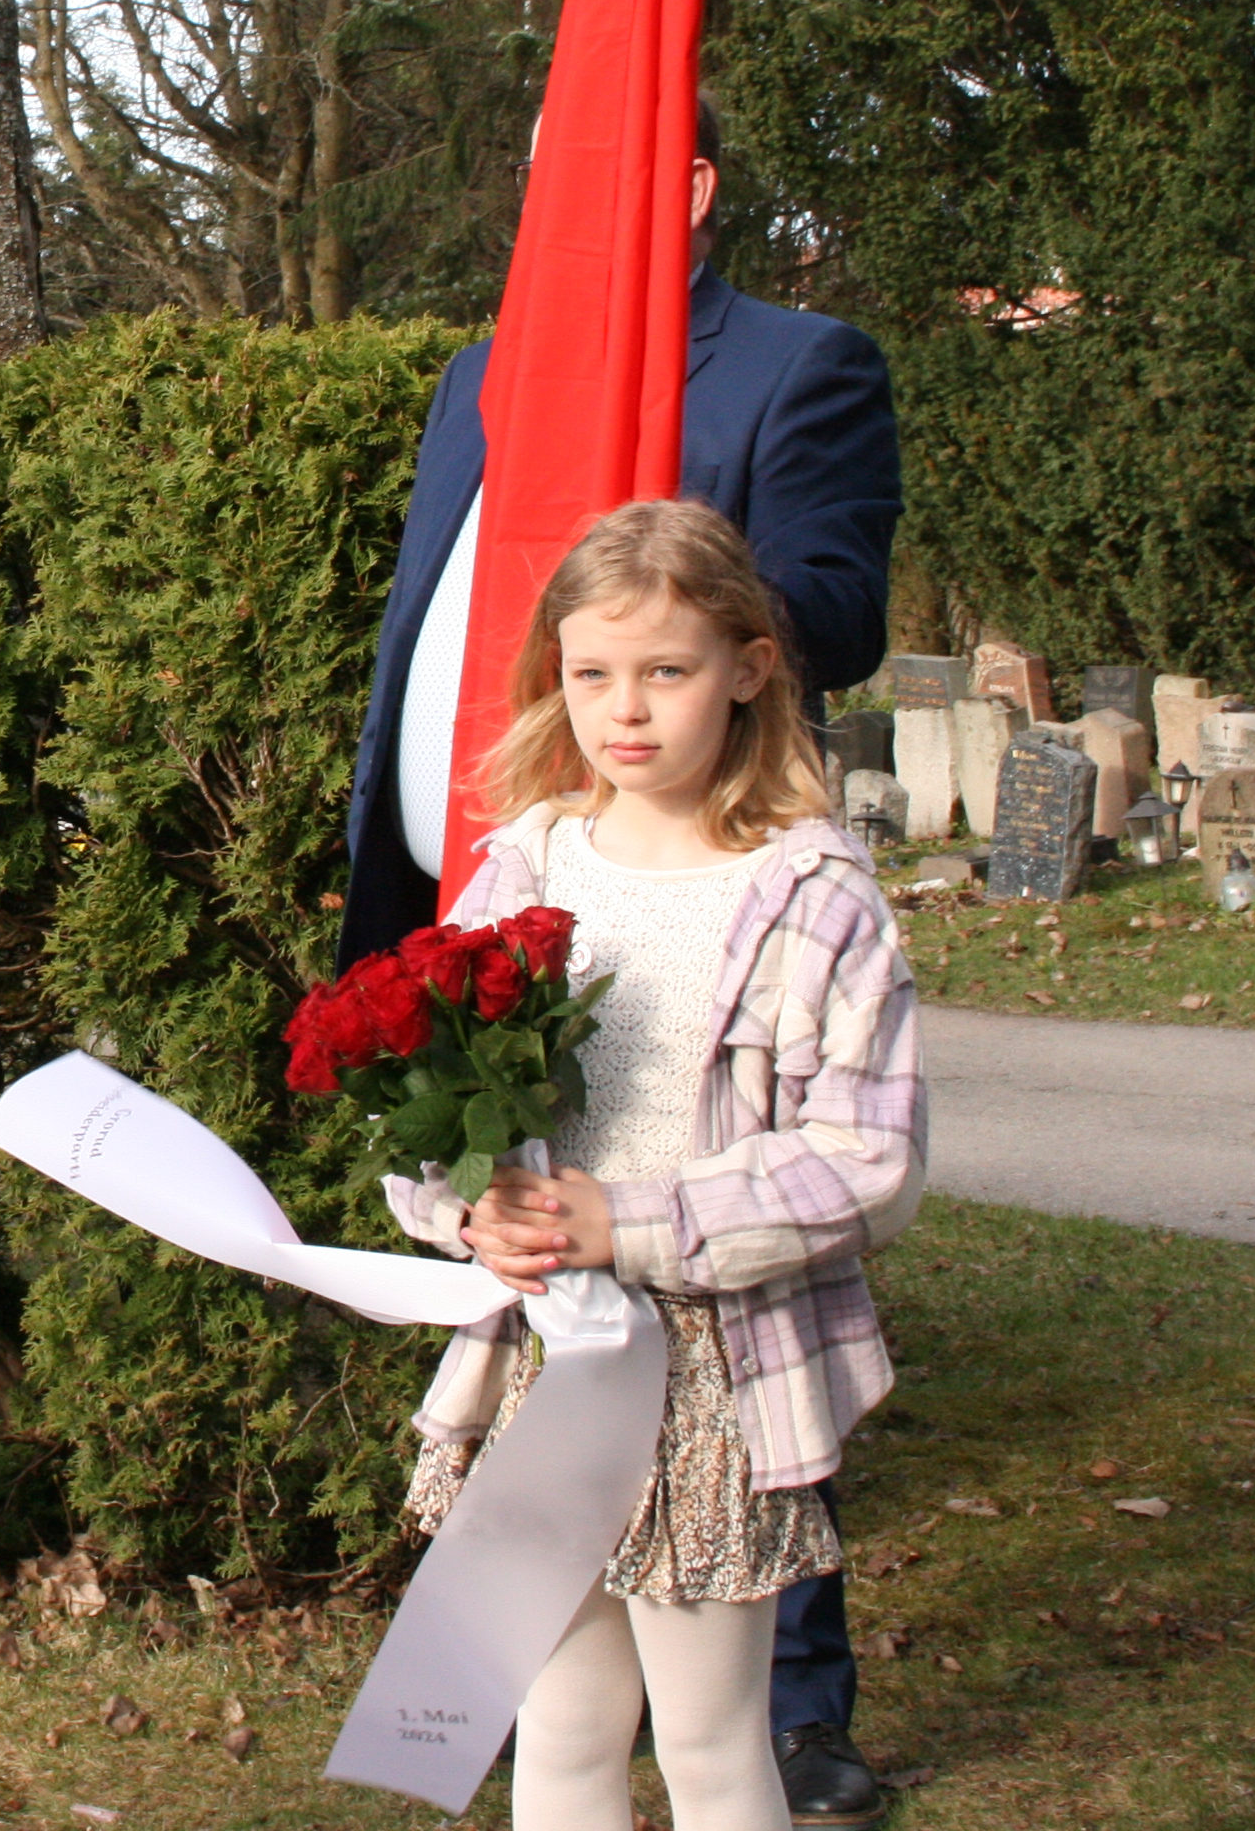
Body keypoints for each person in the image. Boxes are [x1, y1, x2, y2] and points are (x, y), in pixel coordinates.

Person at [344, 108, 903, 1823]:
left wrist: (662, 632)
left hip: (708, 1276)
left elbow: (829, 598)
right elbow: (452, 598)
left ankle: (800, 1709)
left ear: (689, 184)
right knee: (559, 1718)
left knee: (715, 1713)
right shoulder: (476, 374)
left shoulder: (797, 364)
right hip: (515, 876)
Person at [388, 502, 923, 1831]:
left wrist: (625, 1221)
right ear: (552, 677)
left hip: (711, 1379)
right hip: (544, 1364)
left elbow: (865, 1164)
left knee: (708, 1739)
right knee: (562, 1728)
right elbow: (416, 1119)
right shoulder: (524, 868)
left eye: (667, 672)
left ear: (748, 667)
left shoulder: (812, 894)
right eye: (593, 675)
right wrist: (470, 1218)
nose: (626, 713)